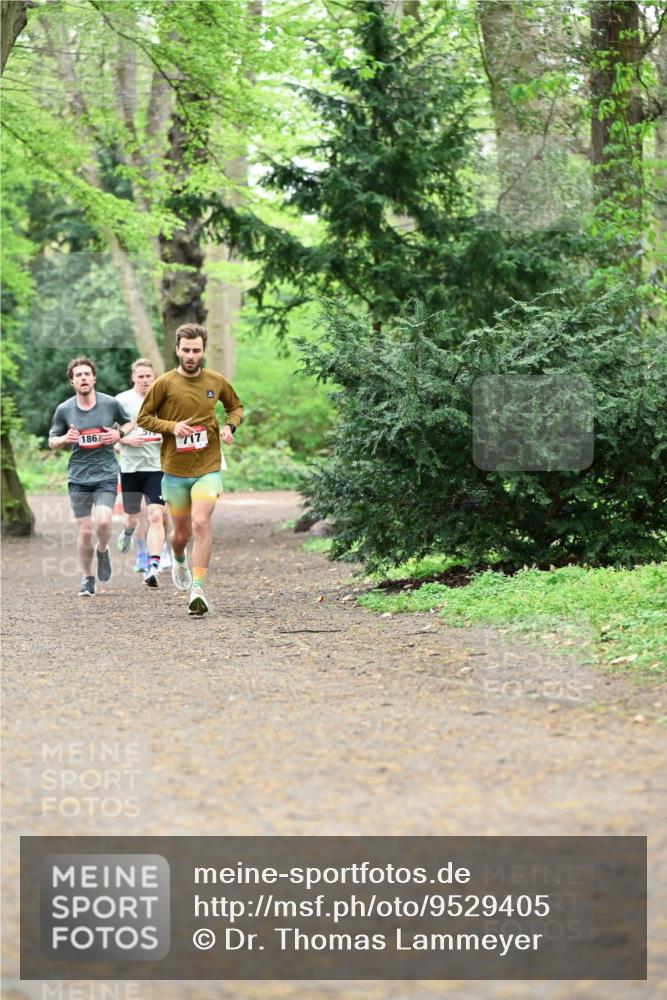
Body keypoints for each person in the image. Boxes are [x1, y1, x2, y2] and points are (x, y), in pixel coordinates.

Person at [136, 323, 243, 616]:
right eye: (186, 350)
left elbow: (236, 407)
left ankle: (198, 588)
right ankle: (178, 556)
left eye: (196, 350)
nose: (191, 355)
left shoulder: (216, 381)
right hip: (174, 469)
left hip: (208, 466)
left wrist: (229, 426)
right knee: (181, 534)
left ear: (203, 351)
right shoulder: (165, 384)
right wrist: (172, 427)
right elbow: (143, 418)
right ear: (177, 350)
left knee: (200, 523)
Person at [48, 356, 132, 596]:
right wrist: (65, 439)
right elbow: (52, 440)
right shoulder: (64, 409)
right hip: (78, 477)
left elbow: (129, 423)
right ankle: (87, 578)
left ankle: (103, 550)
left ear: (94, 378)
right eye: (78, 375)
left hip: (105, 472)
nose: (83, 378)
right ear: (72, 382)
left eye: (86, 374)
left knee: (104, 521)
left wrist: (117, 434)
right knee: (85, 531)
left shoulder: (109, 403)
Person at [115, 358, 166, 588]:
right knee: (133, 518)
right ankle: (132, 538)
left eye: (149, 376)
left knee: (156, 515)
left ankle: (152, 564)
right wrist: (124, 439)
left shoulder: (164, 398)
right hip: (130, 468)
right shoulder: (121, 401)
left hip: (157, 467)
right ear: (133, 378)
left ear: (154, 377)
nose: (145, 380)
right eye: (141, 376)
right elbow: (110, 432)